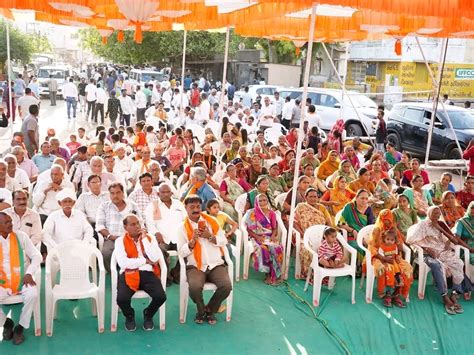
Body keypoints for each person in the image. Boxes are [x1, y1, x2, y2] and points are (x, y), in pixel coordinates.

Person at [407, 206, 472, 314]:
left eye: (438, 214)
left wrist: (440, 229)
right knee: (437, 266)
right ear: (429, 214)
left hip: (442, 251)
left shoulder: (441, 224)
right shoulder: (422, 225)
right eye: (434, 213)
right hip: (428, 254)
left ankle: (455, 293)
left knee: (458, 263)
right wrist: (426, 248)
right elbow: (410, 240)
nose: (436, 216)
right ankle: (445, 296)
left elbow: (453, 240)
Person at [178, 195, 232, 324]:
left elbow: (224, 240)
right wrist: (192, 242)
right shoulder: (182, 228)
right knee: (195, 287)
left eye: (198, 206)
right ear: (186, 208)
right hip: (196, 266)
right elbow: (181, 252)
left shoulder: (211, 221)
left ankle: (209, 310)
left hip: (215, 264)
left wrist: (210, 236)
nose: (196, 209)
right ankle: (201, 310)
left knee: (226, 286)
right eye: (192, 207)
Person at [115, 214, 167, 331]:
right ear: (125, 227)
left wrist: (144, 239)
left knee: (160, 297)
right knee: (121, 299)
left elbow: (154, 259)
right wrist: (144, 260)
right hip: (128, 273)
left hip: (147, 272)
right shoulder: (119, 241)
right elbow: (123, 263)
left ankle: (148, 314)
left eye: (138, 223)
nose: (137, 226)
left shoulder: (149, 238)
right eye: (133, 224)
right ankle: (129, 316)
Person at [0, 212, 41, 345]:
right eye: (6, 222)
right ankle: (6, 322)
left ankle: (20, 327)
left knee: (33, 294)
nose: (10, 224)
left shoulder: (20, 236)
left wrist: (29, 273)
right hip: (2, 282)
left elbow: (36, 256)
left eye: (11, 221)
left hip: (22, 279)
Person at [369, 209, 413, 306]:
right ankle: (387, 293)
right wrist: (383, 258)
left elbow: (400, 248)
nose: (387, 223)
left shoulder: (394, 230)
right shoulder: (377, 230)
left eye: (389, 221)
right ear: (381, 219)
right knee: (387, 269)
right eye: (385, 221)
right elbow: (372, 247)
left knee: (407, 270)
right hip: (379, 256)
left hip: (393, 257)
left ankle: (396, 294)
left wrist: (397, 238)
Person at [96, 183, 141, 272]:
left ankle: (129, 272)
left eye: (118, 192)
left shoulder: (133, 206)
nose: (115, 195)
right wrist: (110, 236)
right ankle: (113, 273)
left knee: (138, 254)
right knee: (106, 253)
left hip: (131, 238)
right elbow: (99, 225)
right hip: (112, 238)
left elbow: (140, 223)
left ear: (123, 193)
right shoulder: (104, 206)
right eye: (112, 193)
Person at [243, 193, 284, 285]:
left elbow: (274, 228)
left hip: (269, 237)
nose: (262, 202)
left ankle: (275, 274)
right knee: (263, 249)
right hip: (256, 237)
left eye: (264, 200)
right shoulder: (251, 213)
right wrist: (257, 236)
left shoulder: (272, 213)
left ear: (267, 201)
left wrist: (273, 236)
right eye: (260, 200)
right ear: (256, 202)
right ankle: (268, 274)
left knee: (277, 248)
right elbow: (248, 230)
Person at [294, 189, 333, 278]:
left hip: (321, 237)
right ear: (306, 197)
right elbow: (294, 222)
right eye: (310, 196)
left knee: (332, 248)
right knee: (307, 249)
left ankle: (325, 274)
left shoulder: (322, 208)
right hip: (304, 236)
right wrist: (303, 234)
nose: (313, 199)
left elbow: (329, 224)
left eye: (315, 196)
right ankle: (309, 274)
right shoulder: (300, 206)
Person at [375, 230, 404, 307]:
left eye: (392, 240)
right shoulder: (382, 247)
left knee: (400, 270)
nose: (389, 241)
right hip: (385, 262)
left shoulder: (395, 246)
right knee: (389, 271)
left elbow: (396, 255)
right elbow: (381, 257)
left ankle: (396, 293)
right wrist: (385, 259)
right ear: (384, 239)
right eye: (388, 239)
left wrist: (397, 259)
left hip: (393, 262)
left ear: (394, 240)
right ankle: (388, 293)